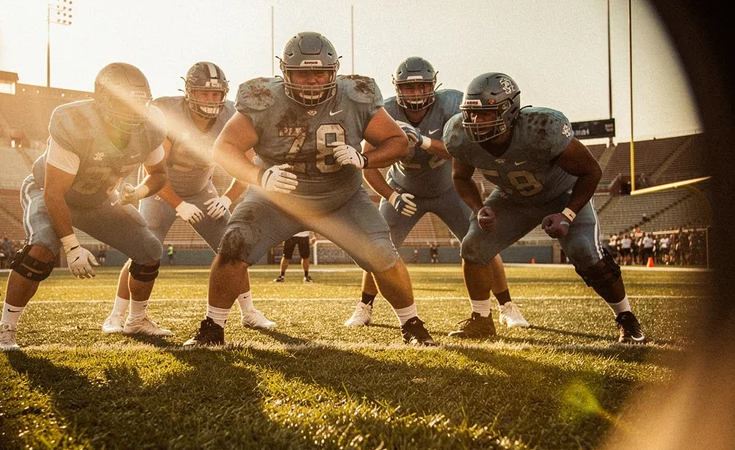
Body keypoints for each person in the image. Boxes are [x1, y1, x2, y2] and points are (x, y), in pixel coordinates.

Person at [183, 31, 436, 347]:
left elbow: (398, 142)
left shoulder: (356, 95)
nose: (312, 81)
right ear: (285, 72)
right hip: (277, 199)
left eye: (319, 73)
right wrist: (258, 175)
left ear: (334, 72)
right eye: (303, 73)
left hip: (341, 198)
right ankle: (212, 328)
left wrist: (364, 157)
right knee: (234, 243)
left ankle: (411, 324)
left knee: (382, 253)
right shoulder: (263, 99)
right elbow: (226, 148)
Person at [442, 72, 645, 344]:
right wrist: (479, 207)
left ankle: (626, 318)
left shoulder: (541, 128)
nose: (476, 122)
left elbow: (591, 171)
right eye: (472, 114)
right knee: (473, 246)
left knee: (585, 252)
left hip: (562, 194)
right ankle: (481, 321)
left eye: (486, 114)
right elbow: (460, 177)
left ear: (509, 112)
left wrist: (568, 213)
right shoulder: (460, 136)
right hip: (512, 198)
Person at [0, 62, 171, 351]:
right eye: (124, 102)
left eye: (138, 102)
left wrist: (138, 190)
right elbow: (54, 193)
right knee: (42, 249)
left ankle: (136, 319)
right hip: (50, 191)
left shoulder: (150, 127)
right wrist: (72, 247)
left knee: (149, 250)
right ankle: (5, 328)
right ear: (103, 100)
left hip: (98, 200)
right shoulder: (75, 121)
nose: (132, 110)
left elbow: (159, 173)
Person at [344, 57, 528, 329]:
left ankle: (506, 306)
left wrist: (424, 141)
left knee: (482, 243)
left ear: (433, 85)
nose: (416, 93)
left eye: (422, 87)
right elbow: (367, 164)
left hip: (449, 188)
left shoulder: (451, 105)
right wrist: (392, 195)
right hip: (404, 191)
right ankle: (364, 306)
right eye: (409, 88)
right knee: (378, 247)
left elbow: (463, 149)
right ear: (397, 89)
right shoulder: (387, 111)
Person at [101, 62, 276, 333]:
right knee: (145, 250)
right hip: (161, 190)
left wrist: (228, 198)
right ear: (188, 92)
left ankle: (249, 312)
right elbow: (156, 171)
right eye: (204, 93)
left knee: (233, 247)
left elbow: (246, 165)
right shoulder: (168, 113)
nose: (211, 100)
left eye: (216, 94)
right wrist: (179, 204)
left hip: (201, 190)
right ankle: (118, 315)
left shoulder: (232, 115)